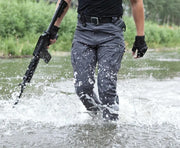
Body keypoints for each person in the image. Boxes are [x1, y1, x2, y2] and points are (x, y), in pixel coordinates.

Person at [50, 0, 148, 121]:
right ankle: (97, 117)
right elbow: (65, 1)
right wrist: (53, 28)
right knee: (82, 87)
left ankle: (110, 128)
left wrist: (140, 36)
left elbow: (136, 2)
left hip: (112, 32)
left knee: (106, 87)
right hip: (83, 31)